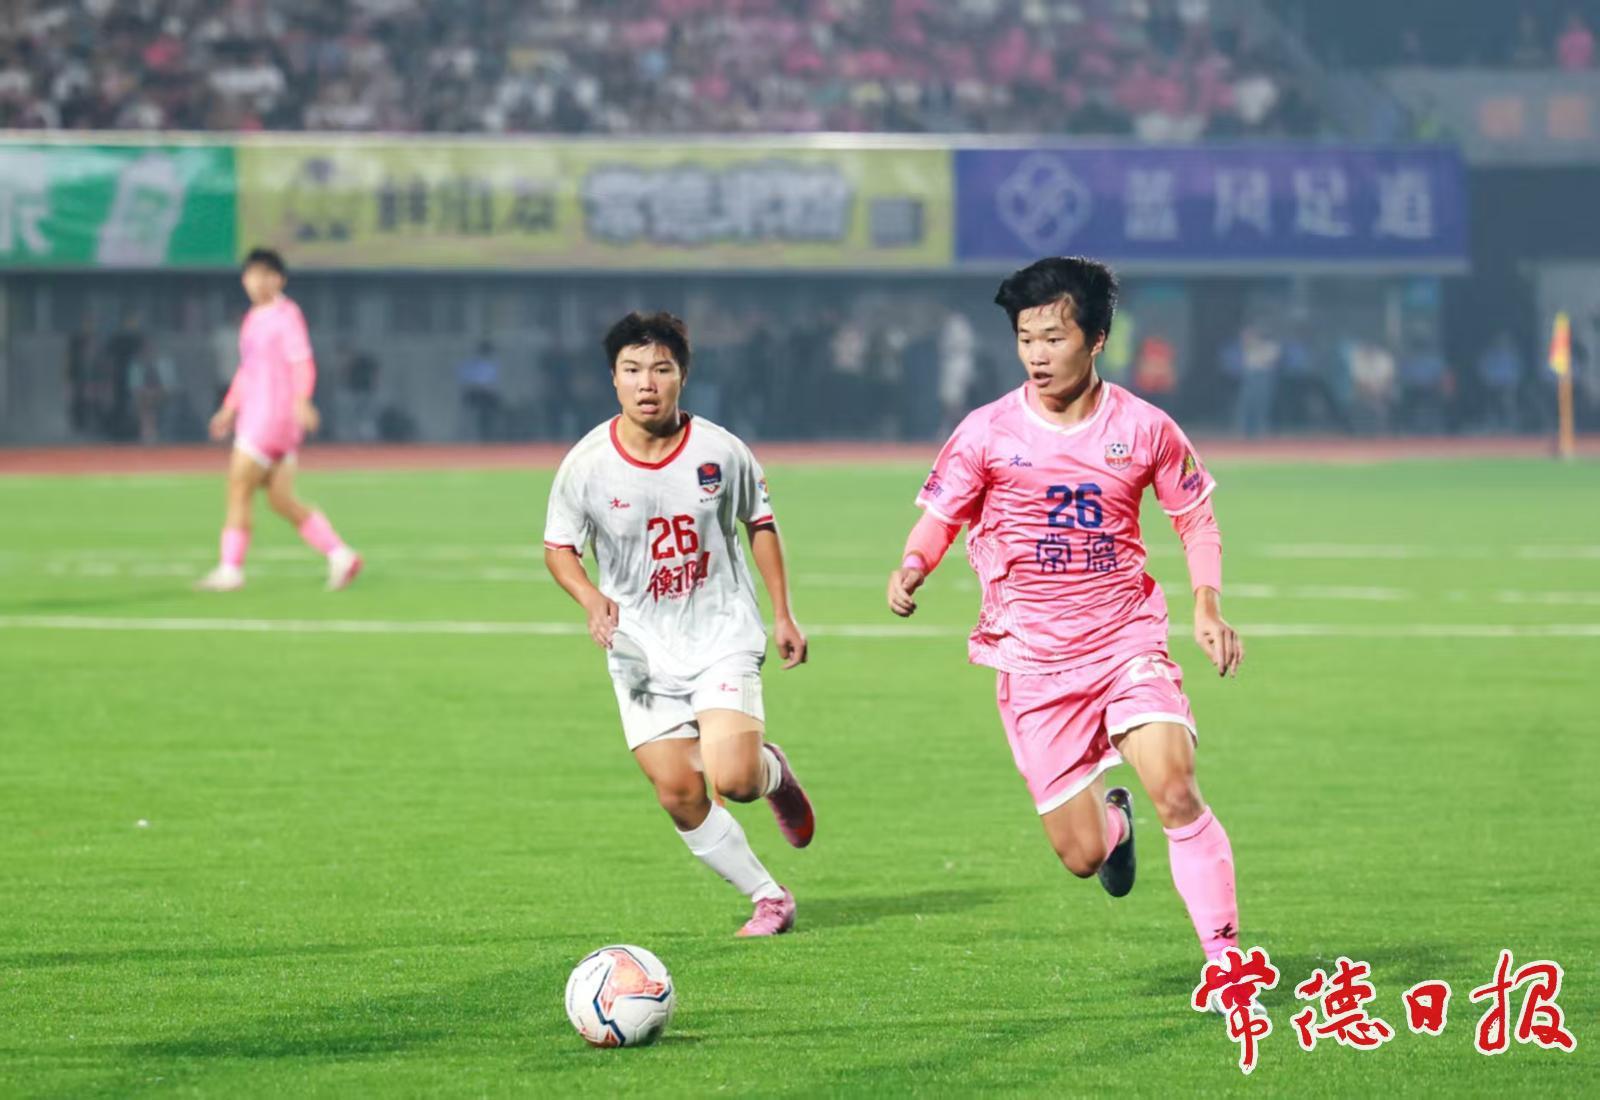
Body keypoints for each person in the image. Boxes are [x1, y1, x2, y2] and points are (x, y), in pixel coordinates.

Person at [885, 257, 1249, 1008]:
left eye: (1054, 337)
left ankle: (1225, 965)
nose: (1038, 354)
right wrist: (913, 565)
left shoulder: (1144, 428)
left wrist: (1206, 605)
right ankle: (1115, 828)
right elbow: (942, 515)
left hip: (1126, 643)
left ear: (1096, 339)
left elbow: (1194, 517)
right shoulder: (987, 432)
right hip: (1034, 663)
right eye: (1026, 339)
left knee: (1175, 786)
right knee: (1081, 856)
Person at [543, 311, 815, 937]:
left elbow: (760, 524)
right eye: (632, 369)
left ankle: (771, 772)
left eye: (661, 369)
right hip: (639, 650)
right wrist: (589, 597)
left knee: (735, 780)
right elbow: (559, 548)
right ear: (613, 379)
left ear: (682, 377)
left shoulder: (721, 450)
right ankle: (769, 898)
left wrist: (782, 613)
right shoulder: (585, 464)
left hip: (721, 633)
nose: (647, 383)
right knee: (679, 793)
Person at [196, 248, 361, 592]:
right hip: (270, 419)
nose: (255, 282)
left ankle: (230, 569)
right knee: (280, 499)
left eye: (263, 275)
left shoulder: (286, 316)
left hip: (268, 417)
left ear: (278, 280)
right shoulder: (254, 318)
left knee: (238, 487)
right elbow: (248, 370)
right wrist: (230, 407)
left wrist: (301, 400)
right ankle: (340, 554)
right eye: (250, 275)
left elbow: (302, 361)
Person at [458, 339, 501, 441]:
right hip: (473, 395)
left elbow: (491, 385)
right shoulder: (472, 364)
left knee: (492, 409)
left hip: (485, 396)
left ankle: (488, 435)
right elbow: (465, 382)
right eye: (486, 351)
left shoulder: (491, 365)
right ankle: (479, 435)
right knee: (478, 413)